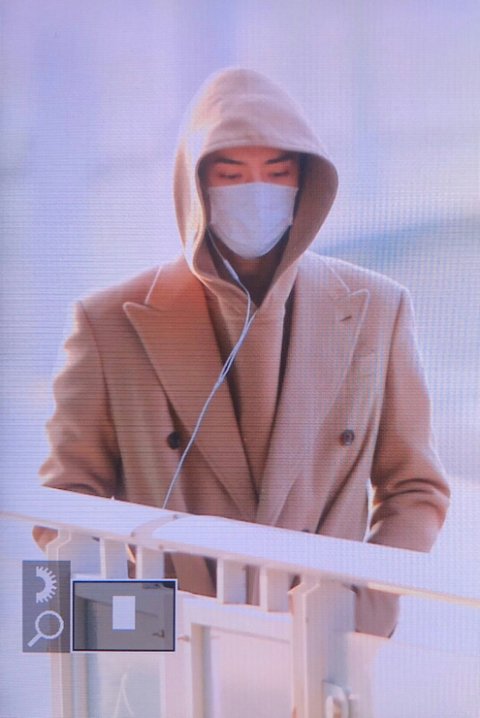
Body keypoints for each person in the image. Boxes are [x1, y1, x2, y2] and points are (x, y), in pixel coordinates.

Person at [34, 68, 450, 636]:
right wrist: (141, 628)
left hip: (324, 637)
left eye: (278, 172)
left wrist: (362, 602)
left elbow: (416, 486)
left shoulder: (378, 307)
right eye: (231, 175)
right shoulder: (108, 320)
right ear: (195, 185)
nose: (256, 192)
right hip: (175, 639)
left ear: (307, 181)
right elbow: (65, 501)